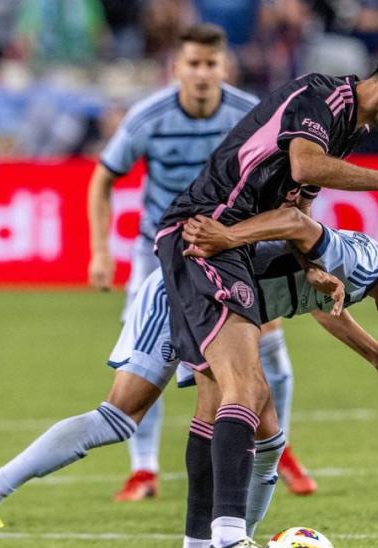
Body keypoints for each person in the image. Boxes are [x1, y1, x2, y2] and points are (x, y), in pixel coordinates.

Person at [0, 210, 378, 548]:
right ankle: (225, 547)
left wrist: (377, 355)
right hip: (194, 295)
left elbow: (320, 300)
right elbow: (294, 223)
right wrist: (233, 237)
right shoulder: (360, 258)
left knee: (222, 417)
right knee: (226, 406)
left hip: (211, 304)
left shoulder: (358, 278)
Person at [154, 34, 378, 548]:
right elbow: (303, 166)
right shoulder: (324, 98)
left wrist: (312, 266)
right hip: (207, 237)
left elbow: (296, 207)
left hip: (220, 243)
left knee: (218, 400)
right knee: (244, 389)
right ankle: (227, 542)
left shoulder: (346, 129)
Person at [87, 24, 312, 501]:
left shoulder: (246, 112)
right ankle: (144, 469)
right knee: (147, 355)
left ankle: (278, 446)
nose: (203, 73)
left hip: (230, 249)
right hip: (159, 253)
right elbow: (102, 178)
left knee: (266, 344)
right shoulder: (149, 116)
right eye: (194, 64)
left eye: (211, 64)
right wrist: (101, 251)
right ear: (178, 68)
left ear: (224, 67)